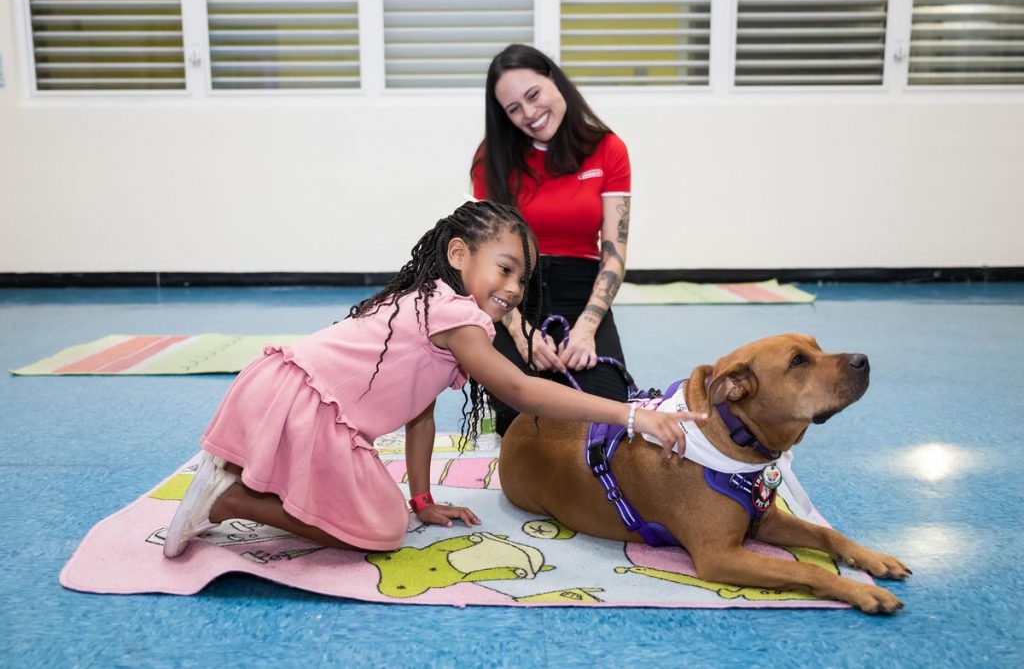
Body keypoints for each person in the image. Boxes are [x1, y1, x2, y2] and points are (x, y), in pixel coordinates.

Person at [163, 201, 703, 558]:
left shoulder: (436, 306)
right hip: (301, 405)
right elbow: (517, 390)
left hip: (285, 394)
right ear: (459, 254)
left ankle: (246, 477)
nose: (515, 289)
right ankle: (228, 500)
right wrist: (632, 413)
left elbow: (420, 413)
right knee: (381, 531)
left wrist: (422, 498)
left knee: (392, 514)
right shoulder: (456, 316)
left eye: (523, 279)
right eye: (506, 268)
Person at [471, 43, 634, 436]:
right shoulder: (488, 160)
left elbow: (613, 256)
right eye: (513, 109)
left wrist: (586, 329)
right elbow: (483, 262)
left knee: (607, 418)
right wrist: (519, 330)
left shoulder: (608, 149)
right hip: (514, 293)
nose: (529, 114)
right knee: (522, 422)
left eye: (533, 95)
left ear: (554, 80)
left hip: (582, 293)